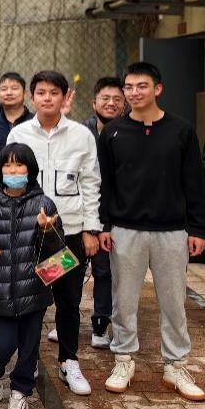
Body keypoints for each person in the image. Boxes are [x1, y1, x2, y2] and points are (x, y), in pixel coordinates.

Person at [98, 62, 205, 402]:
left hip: (171, 230)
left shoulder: (181, 131)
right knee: (123, 300)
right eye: (129, 87)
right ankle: (123, 360)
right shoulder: (112, 133)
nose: (134, 93)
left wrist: (198, 228)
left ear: (157, 89)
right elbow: (105, 183)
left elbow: (194, 182)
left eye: (141, 86)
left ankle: (176, 365)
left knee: (174, 301)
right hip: (125, 230)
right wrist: (104, 224)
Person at [7, 70, 100, 397]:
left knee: (68, 300)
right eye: (41, 93)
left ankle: (69, 360)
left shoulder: (81, 135)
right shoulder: (19, 133)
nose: (47, 98)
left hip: (67, 234)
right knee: (30, 300)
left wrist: (91, 229)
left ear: (64, 97)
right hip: (29, 234)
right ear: (32, 97)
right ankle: (28, 359)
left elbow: (91, 184)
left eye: (54, 93)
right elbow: (8, 179)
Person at [0, 144, 63, 409]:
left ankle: (20, 393)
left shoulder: (44, 204)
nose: (13, 171)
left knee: (28, 348)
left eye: (19, 165)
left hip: (34, 290)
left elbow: (57, 254)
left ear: (30, 169)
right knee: (0, 346)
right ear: (0, 170)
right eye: (8, 165)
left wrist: (47, 230)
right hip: (0, 288)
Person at [82, 76, 126, 348]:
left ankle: (101, 323)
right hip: (79, 211)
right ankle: (65, 319)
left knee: (104, 270)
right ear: (94, 102)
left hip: (110, 215)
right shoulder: (81, 132)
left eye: (117, 99)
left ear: (124, 104)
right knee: (68, 267)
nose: (111, 103)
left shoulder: (128, 132)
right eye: (105, 98)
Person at [0, 72, 34, 162]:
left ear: (25, 93)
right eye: (4, 89)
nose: (9, 93)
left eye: (14, 88)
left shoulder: (35, 122)